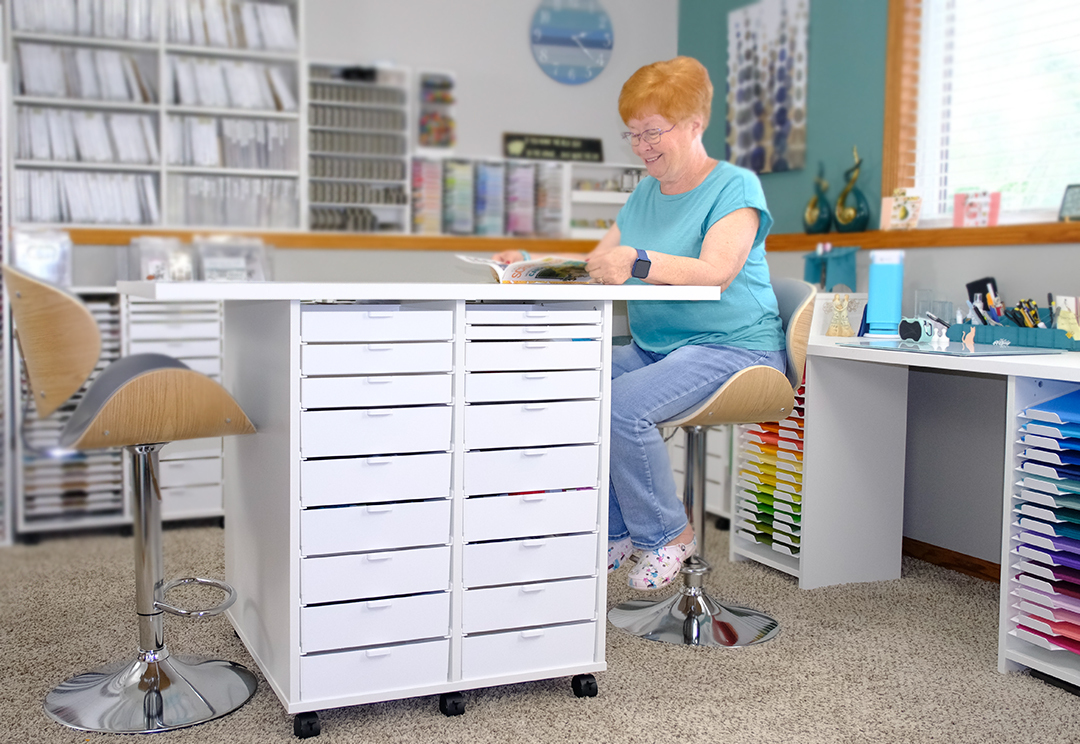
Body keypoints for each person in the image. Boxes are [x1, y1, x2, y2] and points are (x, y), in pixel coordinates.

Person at [493, 56, 785, 591]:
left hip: (735, 349)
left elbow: (716, 273)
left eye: (654, 132)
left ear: (694, 124)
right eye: (633, 134)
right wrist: (529, 265)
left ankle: (668, 536)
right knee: (579, 392)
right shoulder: (646, 191)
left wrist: (640, 259)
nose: (643, 145)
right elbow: (600, 265)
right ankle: (620, 529)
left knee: (623, 407)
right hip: (661, 347)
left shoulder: (735, 188)